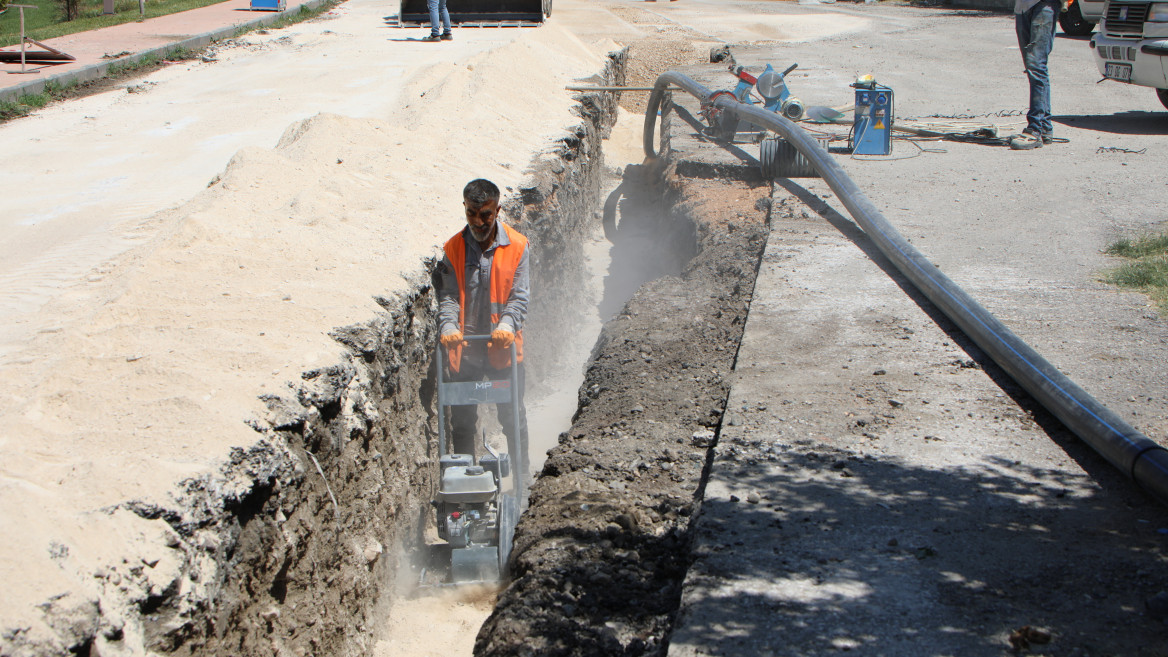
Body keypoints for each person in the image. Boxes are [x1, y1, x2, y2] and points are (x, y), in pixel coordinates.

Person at [437, 178, 531, 484]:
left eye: (486, 215)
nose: (479, 222)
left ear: (497, 210)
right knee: (462, 423)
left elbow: (519, 296)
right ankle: (465, 484)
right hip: (466, 351)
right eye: (472, 214)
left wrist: (506, 325)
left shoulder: (517, 246)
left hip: (503, 351)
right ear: (464, 209)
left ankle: (522, 481)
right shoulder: (453, 248)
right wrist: (448, 325)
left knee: (512, 419)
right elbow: (449, 296)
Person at [1010, 0, 1062, 150]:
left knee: (1036, 64)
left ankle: (1035, 127)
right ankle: (1044, 127)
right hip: (1022, 6)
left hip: (1044, 4)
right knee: (1032, 66)